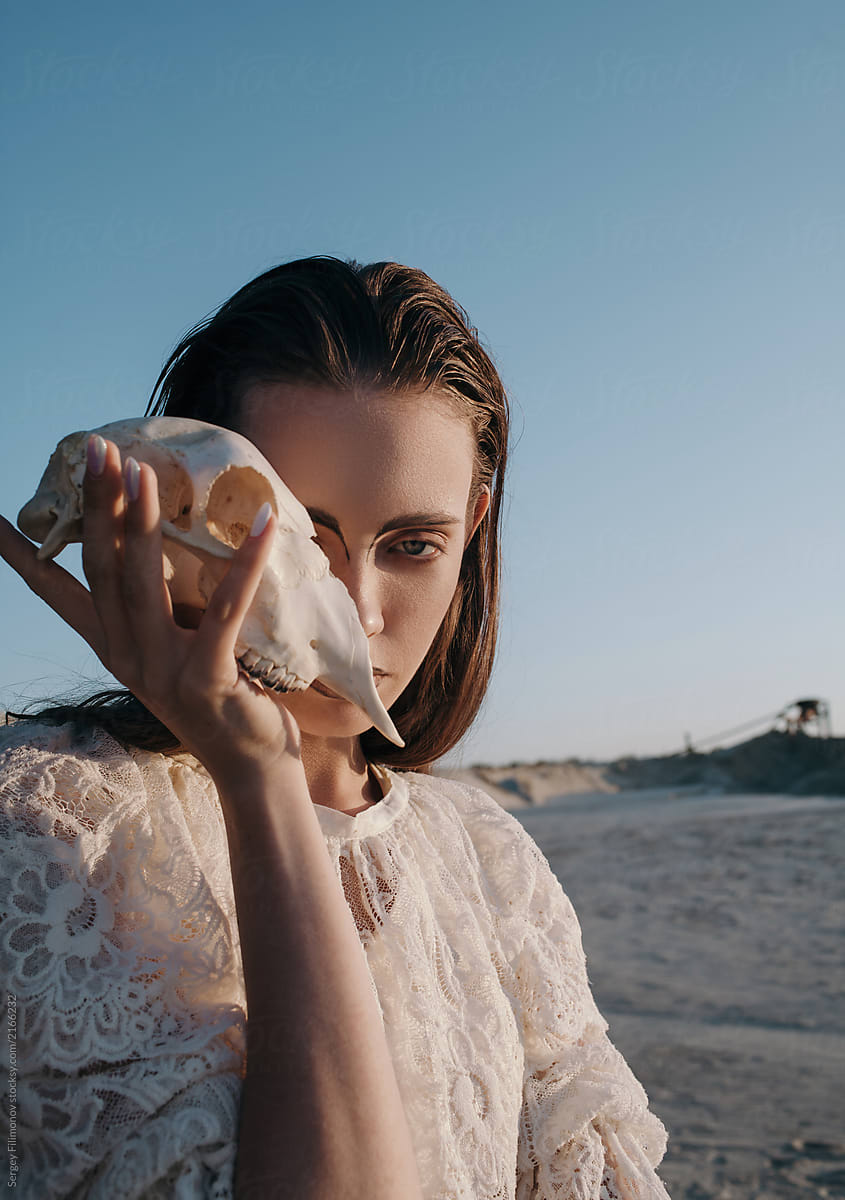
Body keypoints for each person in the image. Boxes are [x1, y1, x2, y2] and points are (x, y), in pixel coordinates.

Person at [0, 257, 670, 1198]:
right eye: (299, 542)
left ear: (471, 530)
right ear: (180, 510)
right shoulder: (53, 824)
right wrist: (259, 775)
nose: (356, 612)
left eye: (411, 546)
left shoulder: (485, 855)